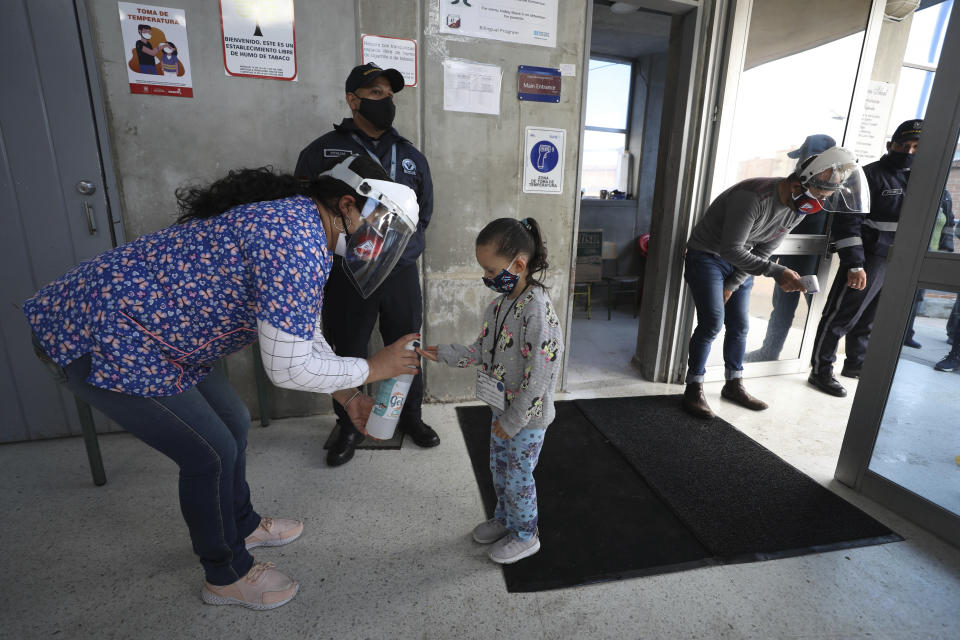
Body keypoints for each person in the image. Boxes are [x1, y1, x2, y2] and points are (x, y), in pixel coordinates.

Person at [23, 155, 421, 609]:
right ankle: (225, 572)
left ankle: (242, 522)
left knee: (232, 419)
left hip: (157, 331)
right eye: (381, 227)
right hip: (103, 332)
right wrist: (373, 369)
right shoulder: (296, 239)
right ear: (347, 204)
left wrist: (349, 394)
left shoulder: (305, 228)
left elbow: (303, 334)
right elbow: (287, 368)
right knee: (209, 452)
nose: (380, 242)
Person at [296, 63, 439, 467]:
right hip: (347, 276)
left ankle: (411, 417)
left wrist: (399, 252)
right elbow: (307, 213)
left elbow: (422, 214)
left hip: (399, 273)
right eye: (374, 93)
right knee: (348, 349)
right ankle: (347, 425)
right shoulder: (321, 151)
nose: (384, 100)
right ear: (353, 99)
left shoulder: (410, 155)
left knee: (407, 345)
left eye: (388, 93)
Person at [682, 146, 867, 419]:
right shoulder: (753, 197)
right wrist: (778, 272)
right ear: (796, 184)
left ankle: (733, 384)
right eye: (819, 194)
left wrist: (733, 284)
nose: (819, 202)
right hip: (708, 255)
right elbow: (732, 249)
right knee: (711, 323)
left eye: (826, 197)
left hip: (739, 260)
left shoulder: (799, 207)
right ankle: (693, 388)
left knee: (740, 326)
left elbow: (764, 251)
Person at [419, 218, 563, 564]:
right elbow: (483, 349)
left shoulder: (538, 310)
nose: (486, 277)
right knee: (500, 470)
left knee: (518, 476)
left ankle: (526, 535)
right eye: (483, 269)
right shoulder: (497, 306)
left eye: (490, 269)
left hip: (525, 419)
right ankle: (505, 520)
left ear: (518, 265)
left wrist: (514, 419)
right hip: (502, 410)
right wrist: (447, 353)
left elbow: (542, 375)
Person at [809, 120, 923, 397]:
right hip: (869, 258)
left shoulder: (923, 180)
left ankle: (855, 366)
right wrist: (855, 264)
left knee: (871, 319)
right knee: (841, 316)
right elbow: (848, 222)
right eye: (902, 145)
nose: (908, 151)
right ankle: (821, 371)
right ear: (890, 145)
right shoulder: (868, 176)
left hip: (900, 260)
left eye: (916, 147)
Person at [744, 134, 836, 362]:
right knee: (782, 305)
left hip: (812, 260)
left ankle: (820, 361)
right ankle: (770, 351)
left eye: (805, 157)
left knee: (816, 309)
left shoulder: (825, 190)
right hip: (790, 254)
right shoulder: (800, 186)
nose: (799, 164)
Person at [903, 190, 956, 347]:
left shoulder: (945, 196)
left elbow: (949, 223)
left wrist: (945, 249)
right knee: (903, 296)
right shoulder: (922, 190)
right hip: (911, 253)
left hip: (931, 255)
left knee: (916, 298)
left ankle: (906, 335)